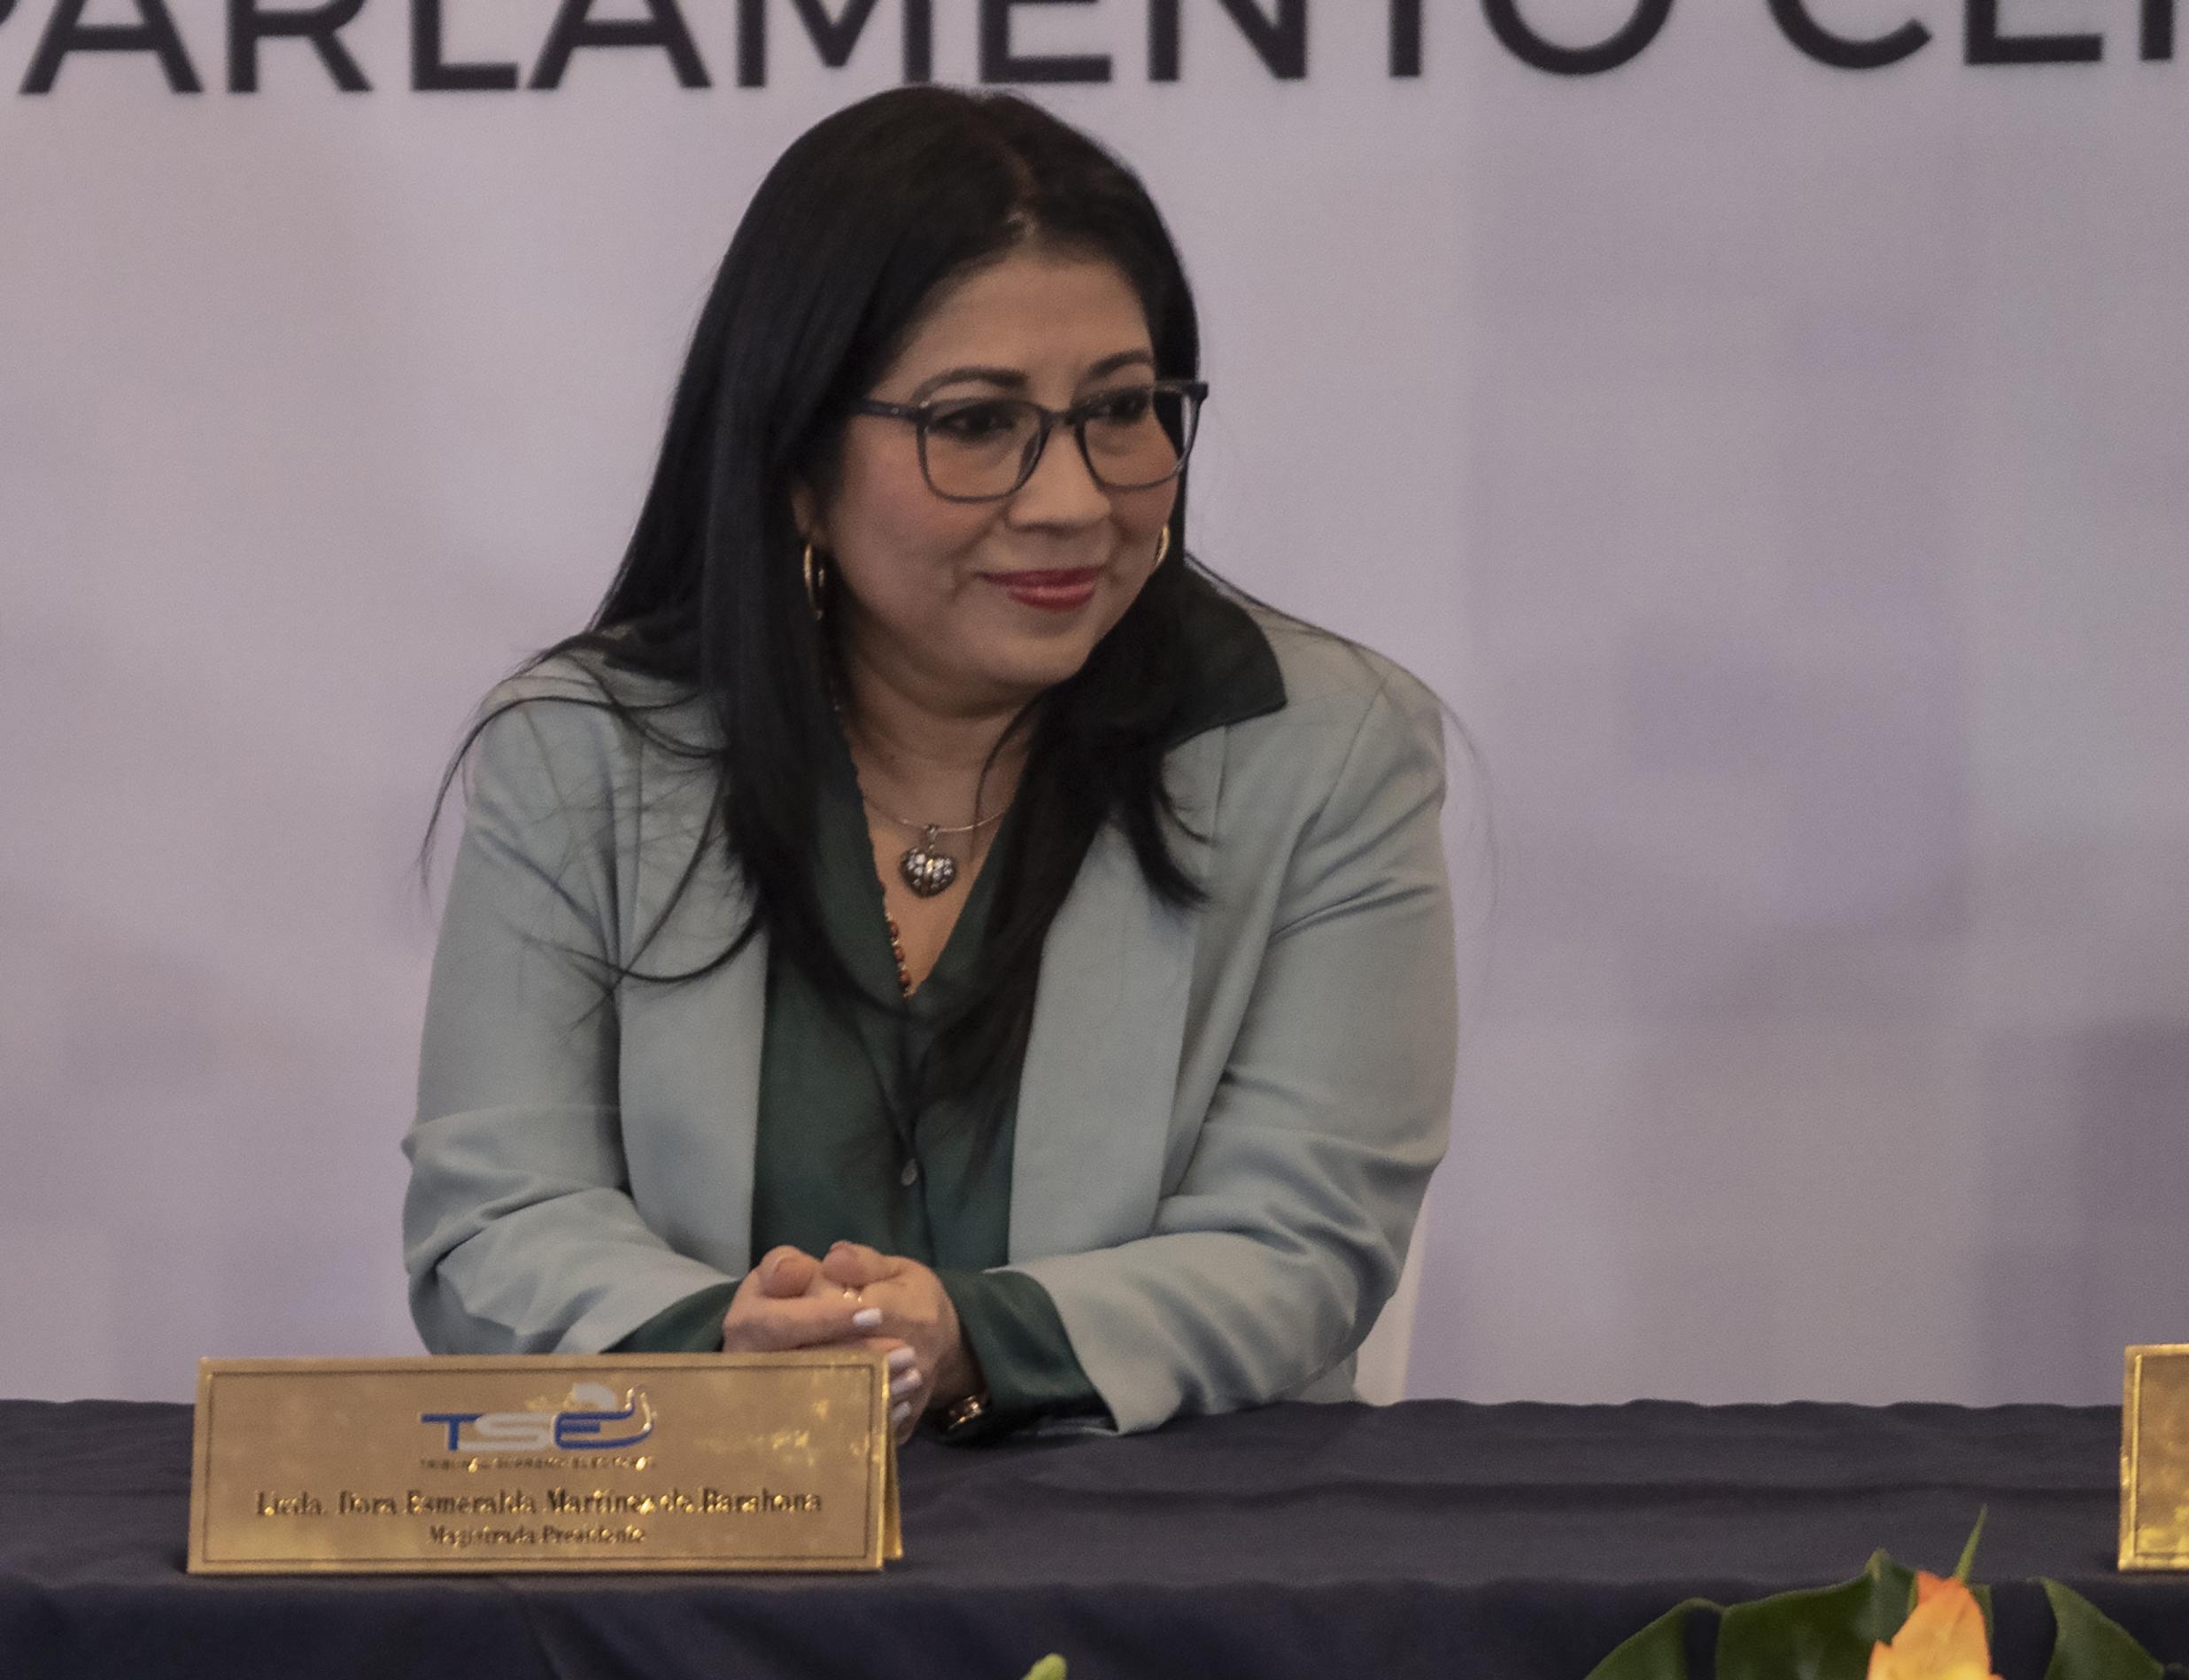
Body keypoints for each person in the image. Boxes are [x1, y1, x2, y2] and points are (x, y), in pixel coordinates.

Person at [402, 88, 1454, 1445]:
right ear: (795, 460)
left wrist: (966, 1339)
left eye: (1122, 409)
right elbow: (494, 1217)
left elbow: (1304, 1241)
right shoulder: (585, 749)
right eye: (975, 422)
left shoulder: (1327, 747)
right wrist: (732, 1348)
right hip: (680, 1569)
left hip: (1160, 1579)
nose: (1075, 498)